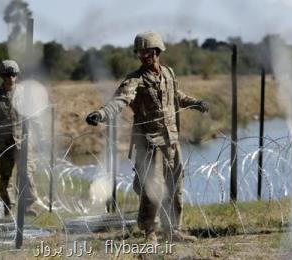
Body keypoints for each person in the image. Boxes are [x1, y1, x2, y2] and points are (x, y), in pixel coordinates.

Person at [85, 32, 208, 243]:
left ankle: (173, 231)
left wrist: (196, 103)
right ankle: (150, 232)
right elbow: (120, 101)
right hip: (150, 143)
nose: (142, 56)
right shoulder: (135, 79)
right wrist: (101, 114)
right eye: (139, 52)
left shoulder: (169, 73)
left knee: (176, 187)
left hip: (172, 141)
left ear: (157, 51)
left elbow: (177, 96)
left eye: (146, 52)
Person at [0, 60, 38, 216]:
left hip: (23, 140)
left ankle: (27, 206)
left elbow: (33, 118)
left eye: (13, 74)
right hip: (4, 143)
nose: (10, 78)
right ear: (2, 76)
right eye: (7, 75)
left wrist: (36, 138)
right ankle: (8, 206)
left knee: (27, 173)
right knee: (6, 176)